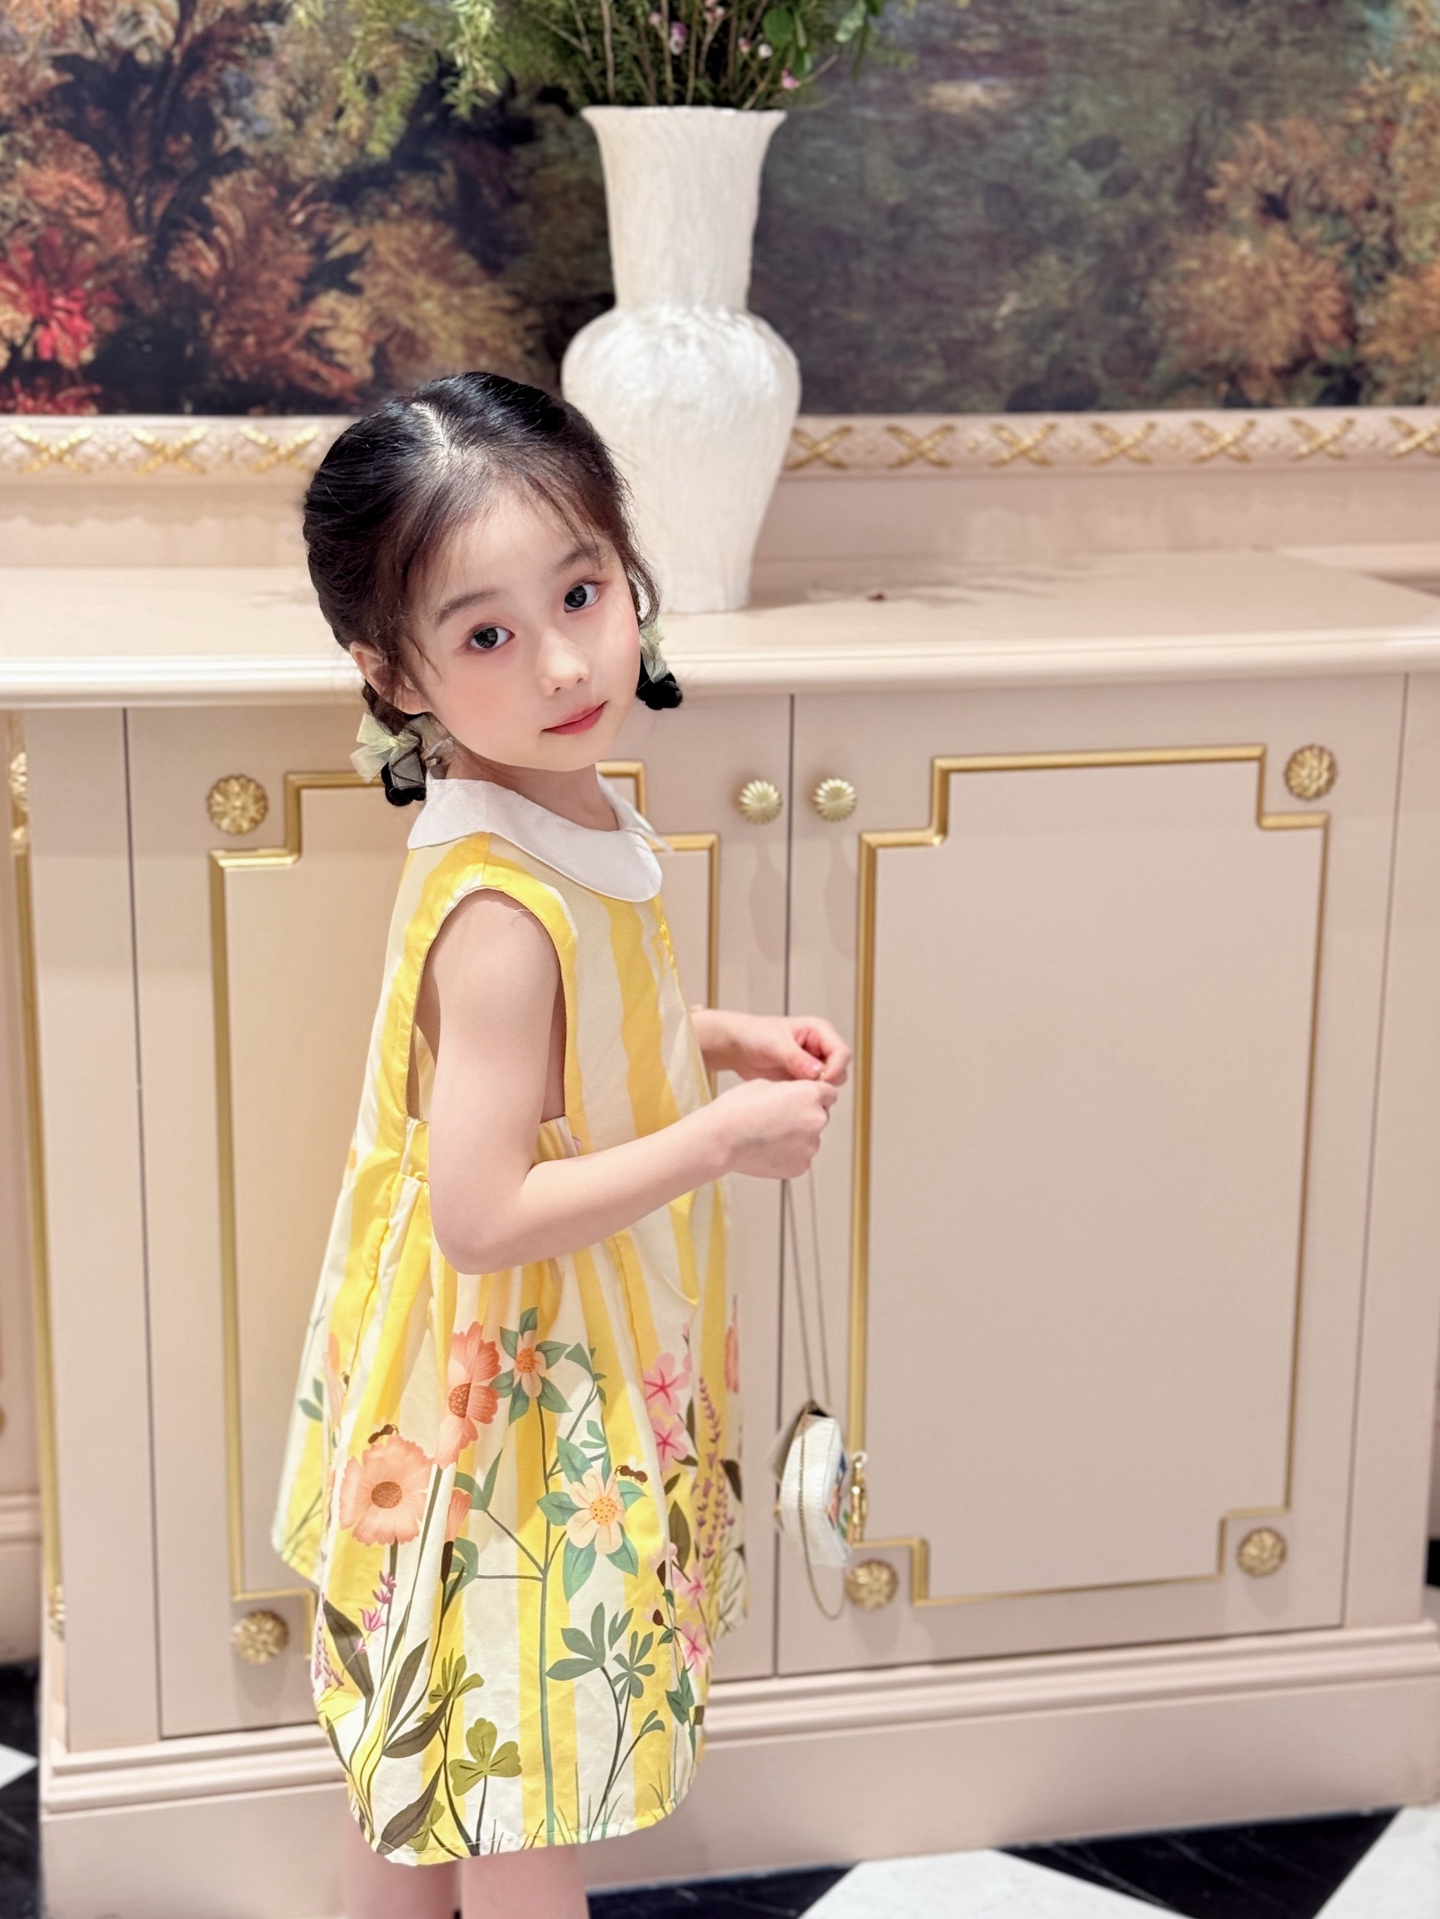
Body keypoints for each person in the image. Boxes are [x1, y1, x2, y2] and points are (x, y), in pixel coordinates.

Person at [271, 372, 849, 1919]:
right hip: (507, 1408)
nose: (565, 660)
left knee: (424, 1760)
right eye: (486, 636)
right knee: (518, 1771)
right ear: (392, 672)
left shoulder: (552, 811)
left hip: (486, 1370)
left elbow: (571, 1050)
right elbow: (481, 1209)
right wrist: (719, 1137)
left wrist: (710, 1038)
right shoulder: (502, 911)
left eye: (582, 592)